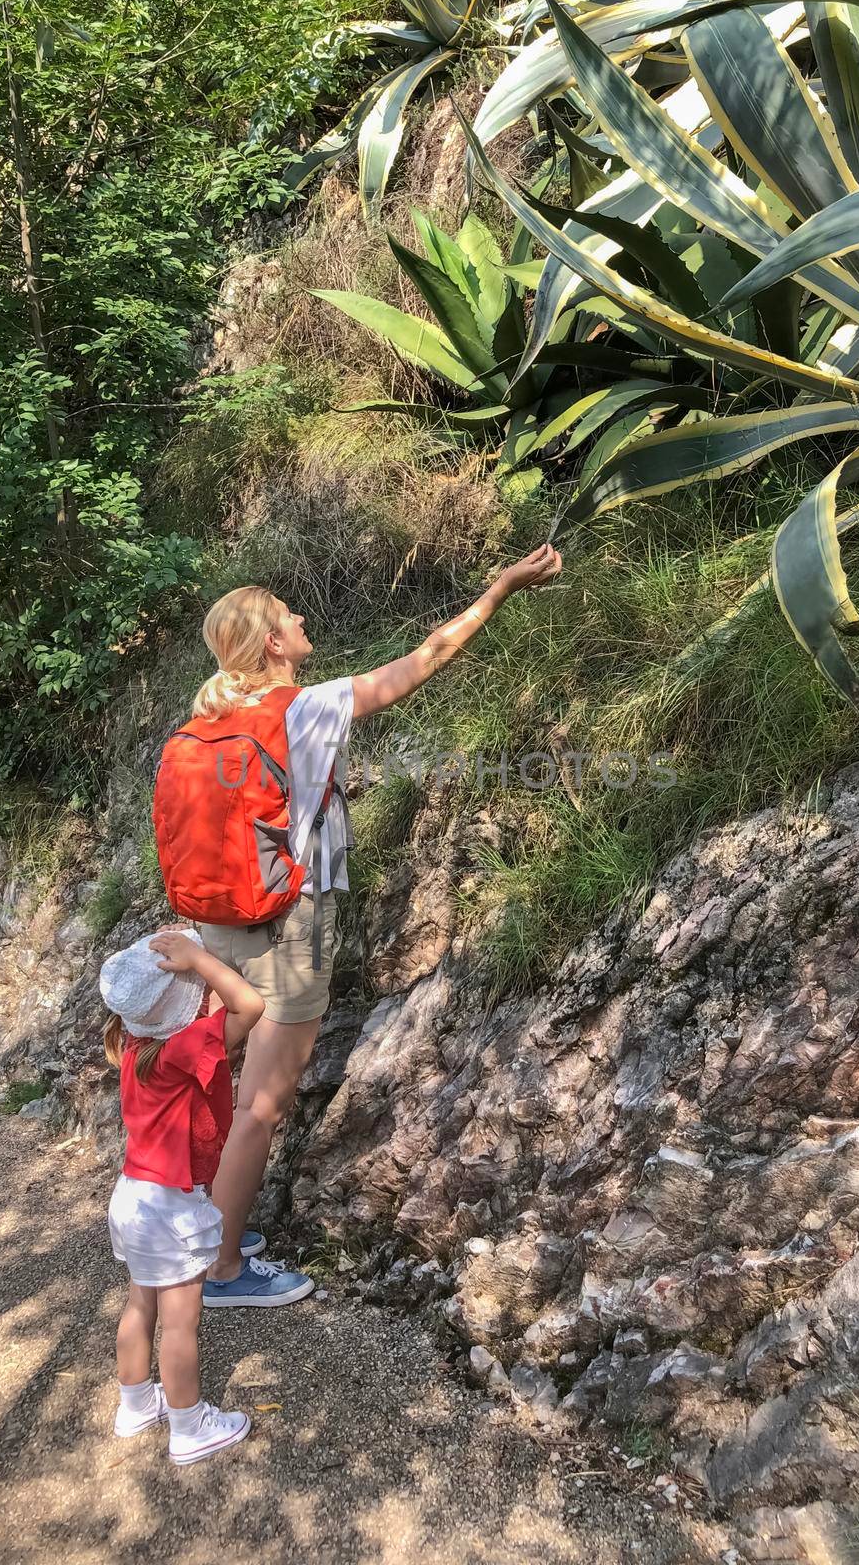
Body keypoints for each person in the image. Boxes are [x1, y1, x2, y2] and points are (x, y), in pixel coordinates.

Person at [179, 542, 563, 1308]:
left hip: (217, 919)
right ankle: (221, 1270)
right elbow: (427, 657)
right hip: (290, 920)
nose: (302, 616)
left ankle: (205, 1223)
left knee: (221, 1078)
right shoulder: (307, 706)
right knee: (265, 1098)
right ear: (273, 645)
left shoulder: (212, 721)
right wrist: (501, 588)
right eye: (289, 615)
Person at [101, 925, 266, 1463]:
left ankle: (134, 1405)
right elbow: (249, 1004)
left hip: (132, 1197)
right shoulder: (183, 1048)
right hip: (172, 1206)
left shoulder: (133, 1044)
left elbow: (221, 1005)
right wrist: (198, 957)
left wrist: (195, 968)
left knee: (139, 1304)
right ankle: (189, 1426)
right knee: (181, 1324)